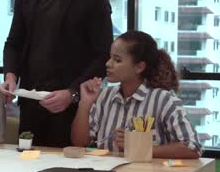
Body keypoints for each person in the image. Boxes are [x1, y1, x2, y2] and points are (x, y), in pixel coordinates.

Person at [0, 0, 113, 147]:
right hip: (31, 103)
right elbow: (14, 42)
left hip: (72, 108)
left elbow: (103, 55)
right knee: (27, 164)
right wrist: (10, 75)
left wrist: (72, 93)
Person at [71, 30, 202, 159]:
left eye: (117, 60)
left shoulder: (163, 100)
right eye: (110, 57)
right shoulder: (104, 96)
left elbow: (192, 147)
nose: (108, 64)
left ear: (139, 67)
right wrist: (85, 104)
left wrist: (138, 147)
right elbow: (79, 143)